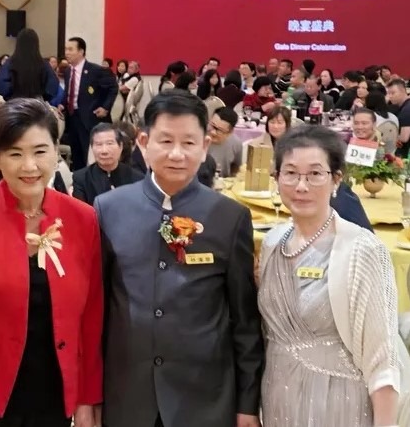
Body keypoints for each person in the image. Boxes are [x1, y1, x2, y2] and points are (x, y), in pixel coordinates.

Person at [96, 89, 263, 427]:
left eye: (189, 143)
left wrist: (247, 403)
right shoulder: (109, 208)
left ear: (205, 146)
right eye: (165, 141)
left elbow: (244, 319)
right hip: (127, 394)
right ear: (144, 142)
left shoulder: (229, 217)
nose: (177, 154)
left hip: (203, 397)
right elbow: (96, 311)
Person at [0, 98, 103, 427]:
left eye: (40, 151)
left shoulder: (82, 218)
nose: (29, 166)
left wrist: (86, 399)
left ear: (56, 152)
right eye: (14, 154)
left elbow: (91, 318)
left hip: (55, 391)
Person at [258, 124, 409, 426]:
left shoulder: (363, 250)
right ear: (276, 178)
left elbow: (382, 357)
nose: (301, 186)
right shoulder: (272, 243)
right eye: (290, 173)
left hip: (338, 401)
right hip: (278, 395)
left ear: (336, 179)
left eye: (315, 174)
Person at [60, 36, 119, 170]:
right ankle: (78, 178)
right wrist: (62, 104)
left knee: (89, 153)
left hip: (89, 118)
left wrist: (105, 107)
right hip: (72, 118)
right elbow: (69, 92)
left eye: (70, 49)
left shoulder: (95, 70)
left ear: (81, 52)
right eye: (66, 49)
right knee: (76, 154)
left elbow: (113, 87)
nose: (67, 53)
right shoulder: (68, 71)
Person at [73, 123, 144, 205]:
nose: (104, 151)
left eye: (110, 143)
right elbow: (80, 210)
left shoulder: (137, 178)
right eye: (99, 144)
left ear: (120, 146)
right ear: (92, 147)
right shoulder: (81, 178)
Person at [0, 28, 60, 102]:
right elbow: (53, 86)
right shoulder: (44, 64)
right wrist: (43, 96)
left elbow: (0, 84)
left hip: (15, 103)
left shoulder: (10, 63)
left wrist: (13, 92)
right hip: (37, 103)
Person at [207, 106, 243, 177]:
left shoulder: (236, 143)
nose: (213, 132)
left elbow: (236, 167)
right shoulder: (198, 136)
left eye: (219, 130)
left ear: (230, 132)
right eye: (212, 126)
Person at [387, 78, 410, 157]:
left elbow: (404, 138)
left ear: (403, 91)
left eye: (393, 93)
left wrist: (391, 137)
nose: (390, 96)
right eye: (388, 93)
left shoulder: (406, 110)